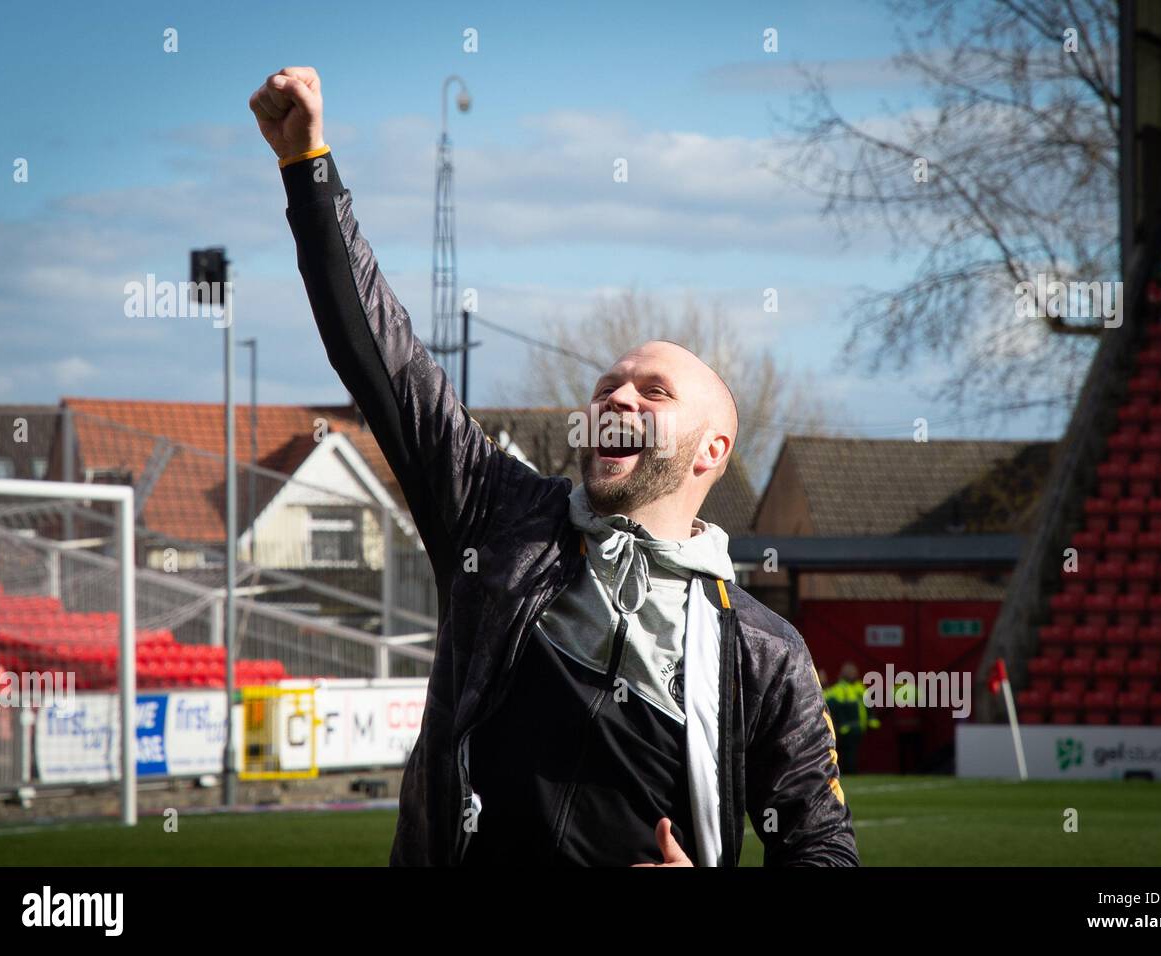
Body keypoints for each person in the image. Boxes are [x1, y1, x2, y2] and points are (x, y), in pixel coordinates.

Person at [249, 67, 858, 867]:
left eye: (654, 391)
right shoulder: (495, 517)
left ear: (712, 453)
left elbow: (823, 850)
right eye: (609, 386)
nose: (619, 397)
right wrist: (308, 166)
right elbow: (384, 361)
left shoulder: (763, 651)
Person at [823, 662, 879, 775]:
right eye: (850, 672)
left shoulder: (860, 687)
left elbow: (868, 706)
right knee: (848, 752)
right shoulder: (840, 689)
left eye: (854, 671)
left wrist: (871, 719)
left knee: (853, 752)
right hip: (845, 728)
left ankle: (850, 772)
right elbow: (828, 702)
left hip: (859, 727)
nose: (853, 674)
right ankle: (849, 773)